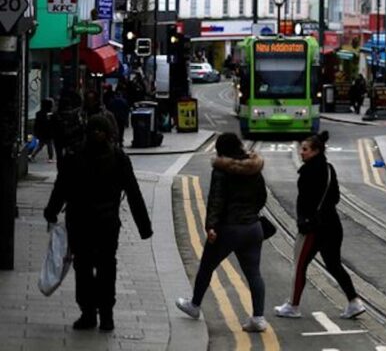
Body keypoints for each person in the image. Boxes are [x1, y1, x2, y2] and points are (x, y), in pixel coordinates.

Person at [44, 115, 152, 331]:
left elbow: (61, 188)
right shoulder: (118, 157)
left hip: (80, 222)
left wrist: (51, 212)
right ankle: (106, 315)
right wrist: (144, 226)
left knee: (83, 267)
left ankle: (88, 313)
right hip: (107, 223)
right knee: (106, 267)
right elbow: (133, 192)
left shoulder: (73, 156)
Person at [175, 133, 269, 332]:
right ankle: (259, 318)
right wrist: (251, 213)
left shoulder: (221, 170)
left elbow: (216, 201)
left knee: (207, 266)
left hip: (229, 228)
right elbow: (262, 197)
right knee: (254, 273)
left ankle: (194, 305)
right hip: (253, 228)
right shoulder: (253, 167)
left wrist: (211, 227)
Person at [274, 131, 366, 320]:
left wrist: (304, 219)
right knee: (334, 265)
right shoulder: (330, 169)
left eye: (305, 150)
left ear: (315, 151)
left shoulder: (308, 172)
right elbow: (336, 198)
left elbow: (304, 201)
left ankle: (293, 306)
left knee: (300, 266)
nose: (301, 153)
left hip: (312, 228)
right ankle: (354, 302)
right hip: (333, 225)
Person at [31, 98, 55, 162]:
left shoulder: (38, 113)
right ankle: (50, 158)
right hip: (48, 132)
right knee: (49, 145)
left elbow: (36, 124)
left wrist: (35, 132)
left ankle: (33, 155)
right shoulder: (50, 114)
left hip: (41, 132)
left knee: (40, 145)